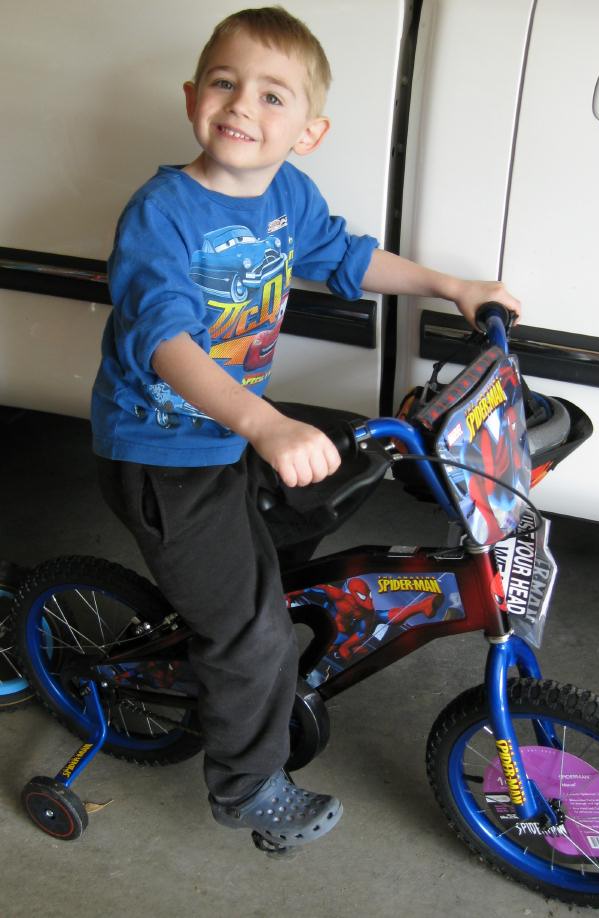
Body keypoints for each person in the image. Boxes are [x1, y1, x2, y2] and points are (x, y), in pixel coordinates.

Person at [91, 5, 521, 850]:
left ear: (308, 132)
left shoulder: (286, 194)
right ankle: (246, 785)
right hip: (164, 454)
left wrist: (453, 287)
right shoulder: (161, 214)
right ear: (192, 96)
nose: (241, 105)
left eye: (272, 95)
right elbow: (165, 342)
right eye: (225, 83)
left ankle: (249, 581)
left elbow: (348, 256)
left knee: (355, 456)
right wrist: (265, 423)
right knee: (253, 635)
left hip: (234, 434)